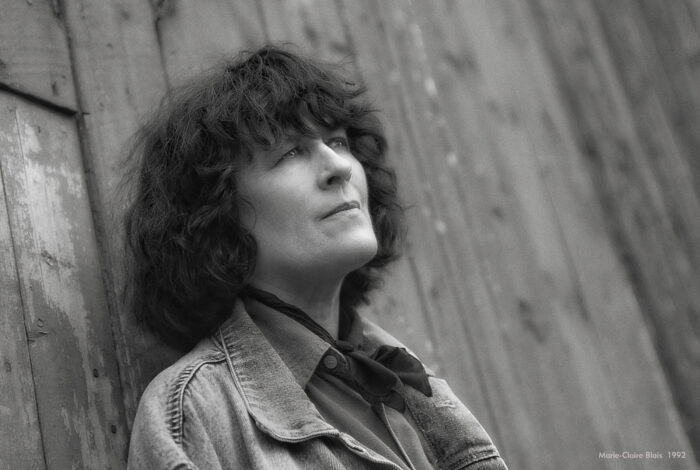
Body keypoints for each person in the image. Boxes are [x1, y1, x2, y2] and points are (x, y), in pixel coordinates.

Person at [123, 44, 508, 470]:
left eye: (338, 141)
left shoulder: (409, 378)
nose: (339, 166)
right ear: (216, 209)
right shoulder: (193, 413)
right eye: (290, 152)